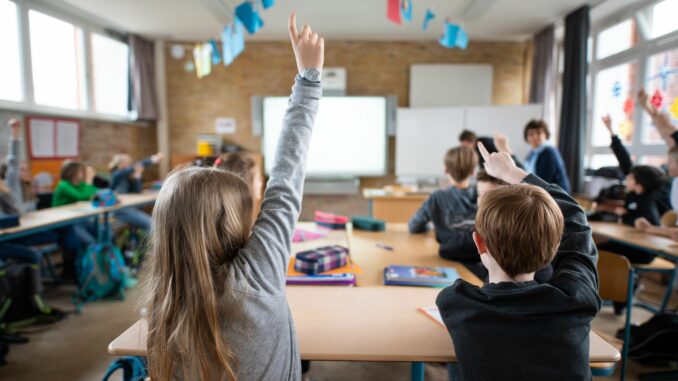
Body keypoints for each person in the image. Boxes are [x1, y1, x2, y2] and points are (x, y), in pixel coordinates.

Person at [140, 13, 323, 380]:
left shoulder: (163, 299)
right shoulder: (256, 276)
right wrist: (309, 78)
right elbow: (287, 175)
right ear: (233, 221)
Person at [437, 142, 600, 381]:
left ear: (479, 243)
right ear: (555, 246)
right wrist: (512, 173)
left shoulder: (456, 303)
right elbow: (575, 216)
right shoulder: (577, 297)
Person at [408, 146, 478, 262]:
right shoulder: (486, 197)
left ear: (446, 169)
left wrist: (430, 227)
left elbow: (414, 226)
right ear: (473, 172)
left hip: (448, 260)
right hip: (480, 264)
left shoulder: (437, 197)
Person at [108, 152, 163, 230]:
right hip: (120, 209)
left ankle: (134, 237)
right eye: (127, 162)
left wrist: (137, 175)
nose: (130, 165)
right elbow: (135, 167)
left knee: (154, 220)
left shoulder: (128, 176)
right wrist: (153, 159)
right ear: (119, 165)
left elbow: (138, 191)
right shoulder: (116, 175)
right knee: (153, 225)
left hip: (130, 207)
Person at [523, 120, 571, 192]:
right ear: (527, 137)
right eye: (531, 134)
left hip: (556, 195)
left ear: (546, 134)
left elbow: (542, 180)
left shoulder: (549, 152)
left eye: (539, 133)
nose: (535, 137)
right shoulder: (532, 154)